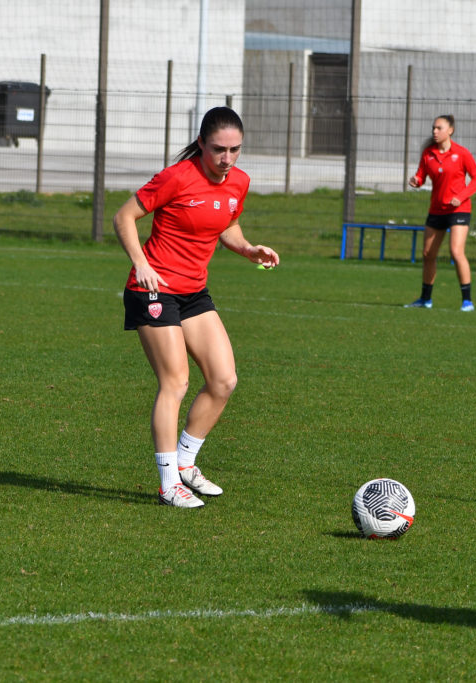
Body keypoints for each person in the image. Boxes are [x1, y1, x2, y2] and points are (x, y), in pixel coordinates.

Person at [114, 106, 279, 509]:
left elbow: (227, 223)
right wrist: (141, 262)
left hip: (193, 292)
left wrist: (248, 249)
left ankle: (186, 464)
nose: (227, 158)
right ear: (202, 143)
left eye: (235, 149)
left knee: (224, 380)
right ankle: (168, 483)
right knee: (175, 382)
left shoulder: (239, 181)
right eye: (219, 149)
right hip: (153, 290)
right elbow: (124, 216)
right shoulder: (177, 177)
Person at [405, 115, 476, 311]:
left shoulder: (461, 153)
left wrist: (461, 196)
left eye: (439, 128)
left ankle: (467, 300)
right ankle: (425, 299)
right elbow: (421, 176)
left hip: (459, 209)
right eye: (433, 128)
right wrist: (416, 181)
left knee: (456, 251)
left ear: (450, 130)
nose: (435, 131)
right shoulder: (428, 153)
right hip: (437, 209)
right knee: (428, 254)